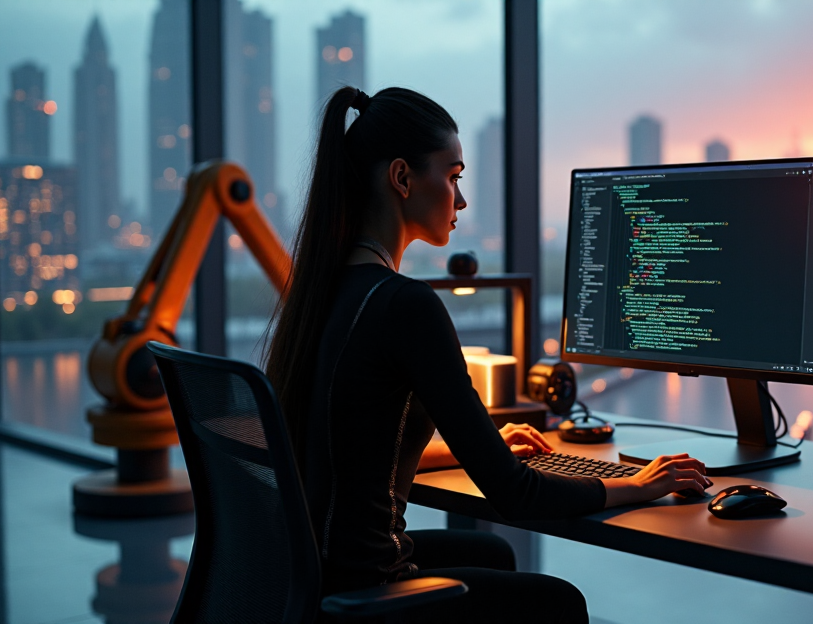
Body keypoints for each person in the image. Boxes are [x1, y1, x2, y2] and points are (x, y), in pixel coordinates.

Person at [264, 86, 709, 624]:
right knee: (559, 603)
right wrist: (637, 484)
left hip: (310, 577)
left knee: (493, 554)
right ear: (402, 178)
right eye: (453, 177)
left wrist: (473, 449)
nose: (462, 199)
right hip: (366, 587)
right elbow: (514, 496)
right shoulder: (404, 305)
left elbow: (344, 452)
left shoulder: (325, 292)